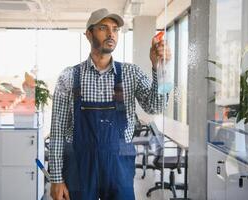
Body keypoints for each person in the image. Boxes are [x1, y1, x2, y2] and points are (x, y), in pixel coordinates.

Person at [49, 8, 171, 200]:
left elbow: (157, 107)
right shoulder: (69, 76)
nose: (111, 33)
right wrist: (56, 179)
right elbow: (57, 130)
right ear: (89, 34)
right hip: (80, 166)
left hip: (119, 166)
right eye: (103, 28)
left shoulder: (132, 73)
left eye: (115, 29)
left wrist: (161, 69)